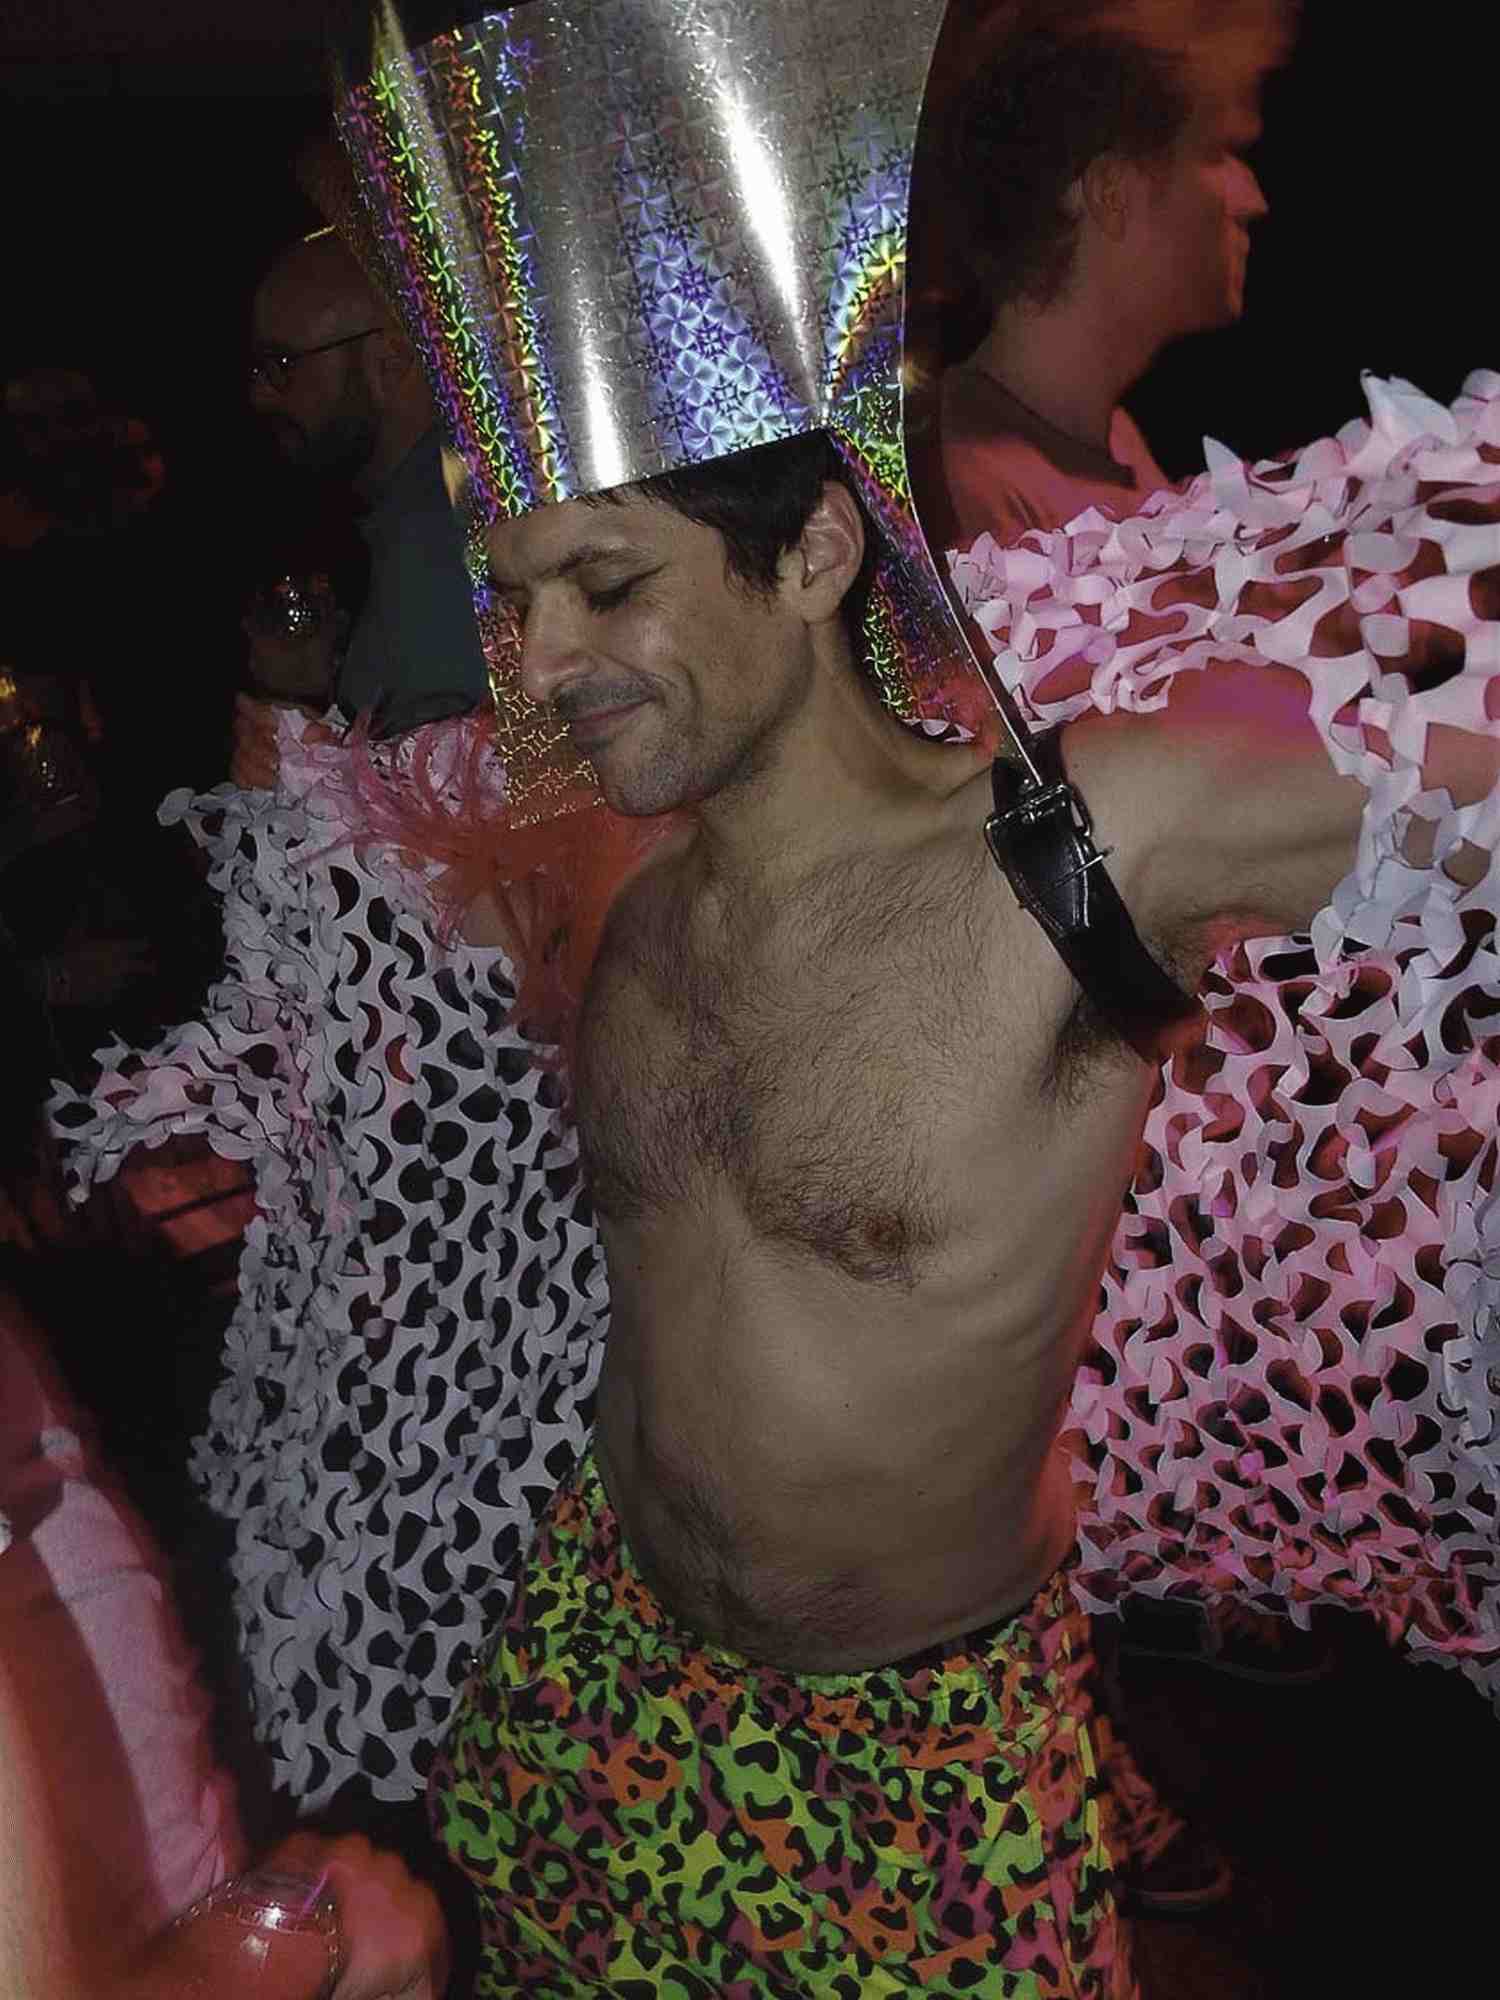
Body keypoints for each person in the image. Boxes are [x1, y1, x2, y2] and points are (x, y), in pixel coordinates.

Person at [49, 222, 608, 1842]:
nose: (259, 395)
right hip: (416, 1174)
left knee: (457, 1533)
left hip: (495, 1175)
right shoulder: (375, 537)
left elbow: (518, 883)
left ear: (384, 353)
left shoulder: (463, 542)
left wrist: (305, 780)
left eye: (284, 361)